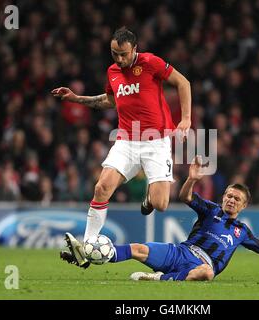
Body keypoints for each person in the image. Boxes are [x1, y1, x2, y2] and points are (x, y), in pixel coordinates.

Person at [52, 27, 191, 268]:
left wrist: (186, 119)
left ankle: (149, 196)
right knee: (102, 187)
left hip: (156, 141)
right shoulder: (112, 71)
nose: (119, 59)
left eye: (124, 54)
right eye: (114, 54)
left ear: (134, 49)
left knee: (160, 204)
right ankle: (86, 247)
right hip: (126, 140)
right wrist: (77, 99)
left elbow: (183, 82)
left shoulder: (150, 62)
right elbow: (110, 101)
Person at [61, 156, 259, 280]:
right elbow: (186, 198)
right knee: (138, 248)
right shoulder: (210, 210)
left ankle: (156, 279)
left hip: (200, 265)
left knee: (207, 273)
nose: (230, 200)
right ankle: (91, 253)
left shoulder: (241, 231)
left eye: (236, 199)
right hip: (181, 252)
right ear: (223, 197)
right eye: (229, 196)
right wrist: (192, 179)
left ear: (244, 206)